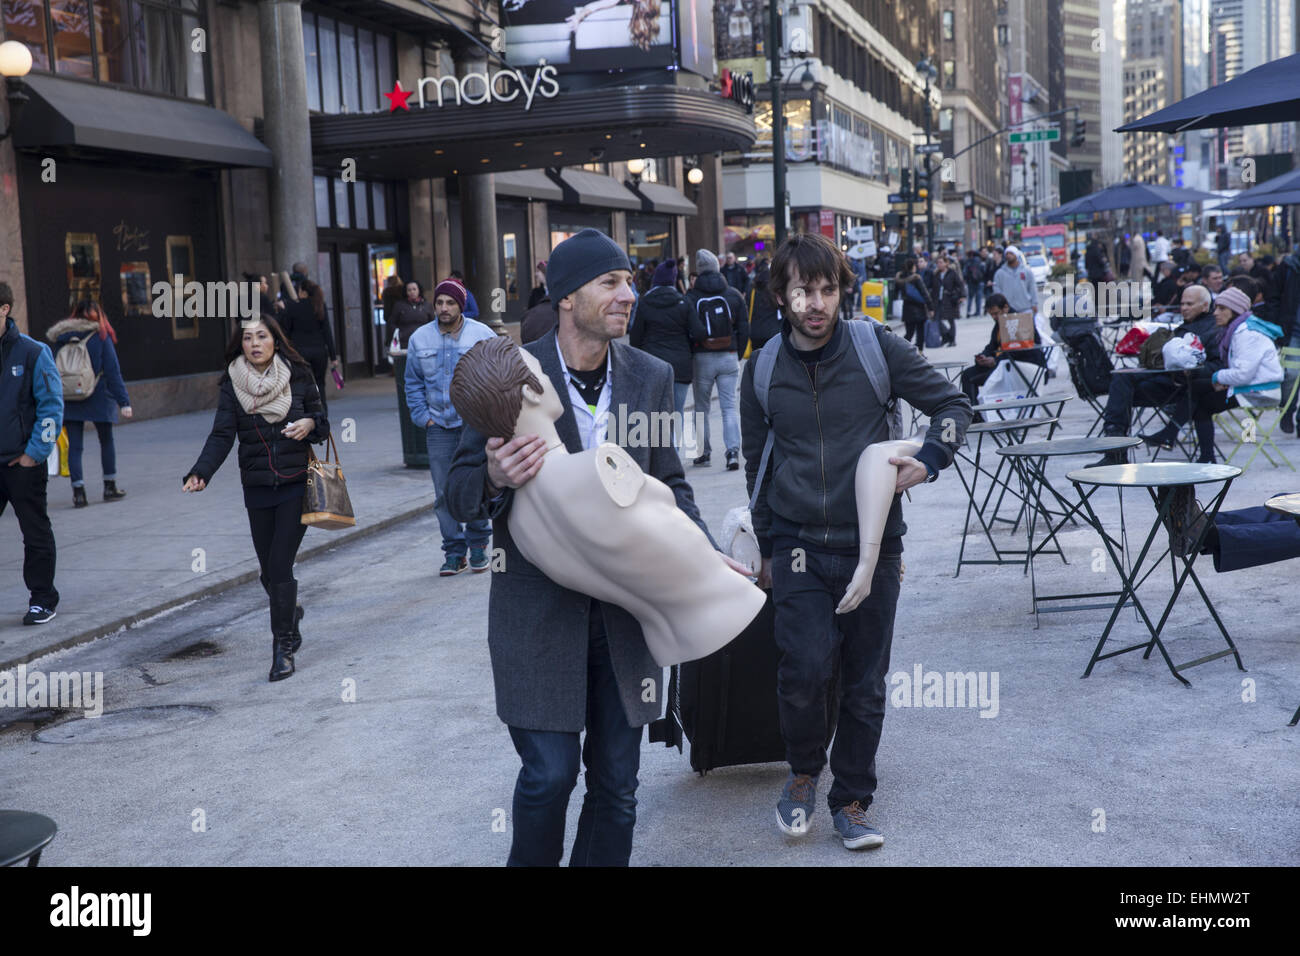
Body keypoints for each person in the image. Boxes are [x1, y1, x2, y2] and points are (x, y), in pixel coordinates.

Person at [444, 227, 733, 867]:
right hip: (537, 616)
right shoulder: (510, 373)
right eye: (611, 282)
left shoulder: (651, 376)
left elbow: (671, 485)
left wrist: (707, 557)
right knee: (549, 776)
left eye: (629, 280)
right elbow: (458, 494)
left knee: (618, 787)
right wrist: (494, 476)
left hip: (627, 615)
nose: (628, 293)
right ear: (569, 298)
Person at [739, 232, 971, 850]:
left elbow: (952, 405)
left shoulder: (876, 348)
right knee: (804, 668)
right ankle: (803, 773)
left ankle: (854, 797)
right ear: (780, 296)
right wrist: (765, 548)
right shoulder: (760, 368)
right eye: (801, 291)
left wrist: (933, 456)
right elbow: (757, 464)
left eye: (826, 289)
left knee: (866, 678)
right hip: (795, 544)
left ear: (842, 289)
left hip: (874, 541)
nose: (815, 303)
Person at [182, 315, 329, 681]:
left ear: (275, 341)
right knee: (268, 572)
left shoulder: (298, 374)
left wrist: (310, 424)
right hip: (258, 488)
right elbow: (221, 434)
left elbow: (321, 421)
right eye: (248, 338)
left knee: (280, 565)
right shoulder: (232, 384)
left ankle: (283, 647)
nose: (254, 343)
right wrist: (201, 471)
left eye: (262, 336)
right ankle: (290, 612)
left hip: (296, 483)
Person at [405, 278, 496, 576]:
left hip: (473, 425)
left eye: (451, 303)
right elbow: (413, 382)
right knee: (443, 493)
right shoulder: (420, 339)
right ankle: (454, 553)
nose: (444, 308)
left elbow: (499, 373)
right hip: (438, 427)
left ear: (461, 306)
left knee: (476, 485)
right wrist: (424, 417)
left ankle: (479, 544)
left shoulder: (482, 334)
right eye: (440, 303)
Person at [1141, 285, 1283, 463]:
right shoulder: (1236, 330)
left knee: (1201, 397)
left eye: (1222, 308)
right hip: (1248, 386)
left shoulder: (1247, 334)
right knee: (1198, 391)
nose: (1215, 313)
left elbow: (1243, 375)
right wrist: (1220, 379)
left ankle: (1178, 439)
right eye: (1216, 307)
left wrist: (1217, 378)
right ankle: (1198, 452)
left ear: (1235, 311)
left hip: (1259, 391)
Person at [1089, 285, 1222, 467]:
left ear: (1205, 306)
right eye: (1182, 303)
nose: (1184, 307)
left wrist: (1193, 369)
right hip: (1165, 379)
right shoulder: (1186, 326)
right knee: (1121, 380)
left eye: (1189, 304)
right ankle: (1115, 446)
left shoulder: (1213, 330)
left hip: (1182, 388)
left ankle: (1115, 450)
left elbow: (1217, 366)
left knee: (1121, 394)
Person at [0, 281, 63, 625]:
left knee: (34, 532)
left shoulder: (33, 352)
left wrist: (34, 454)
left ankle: (42, 599)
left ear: (4, 308)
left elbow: (52, 409)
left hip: (21, 463)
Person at [45, 300, 132, 508]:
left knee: (75, 446)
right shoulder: (100, 336)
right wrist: (124, 402)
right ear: (98, 315)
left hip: (69, 396)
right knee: (106, 440)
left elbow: (51, 370)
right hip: (99, 394)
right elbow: (112, 372)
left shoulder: (60, 337)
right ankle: (109, 486)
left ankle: (78, 492)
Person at [685, 249, 748, 470]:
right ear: (718, 267)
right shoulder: (732, 294)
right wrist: (736, 354)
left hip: (702, 358)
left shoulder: (691, 297)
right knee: (729, 407)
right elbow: (743, 327)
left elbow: (686, 329)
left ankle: (703, 452)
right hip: (729, 356)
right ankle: (732, 452)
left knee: (701, 408)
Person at [628, 260, 693, 434]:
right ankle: (674, 455)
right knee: (677, 412)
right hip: (681, 366)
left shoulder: (645, 302)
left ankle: (660, 457)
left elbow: (635, 338)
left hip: (653, 364)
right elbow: (696, 332)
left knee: (655, 414)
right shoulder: (684, 302)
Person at [958, 293, 1048, 404]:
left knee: (972, 379)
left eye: (996, 313)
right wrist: (983, 357)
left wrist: (995, 360)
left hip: (1021, 366)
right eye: (991, 314)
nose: (994, 317)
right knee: (967, 374)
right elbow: (992, 346)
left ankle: (975, 415)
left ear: (1006, 307)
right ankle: (974, 415)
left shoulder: (1019, 320)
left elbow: (1019, 352)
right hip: (1003, 363)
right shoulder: (1000, 322)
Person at [281, 280, 340, 417]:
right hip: (319, 351)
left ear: (303, 292)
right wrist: (333, 357)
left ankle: (306, 413)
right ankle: (323, 412)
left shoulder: (292, 307)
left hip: (300, 352)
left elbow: (286, 330)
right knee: (320, 383)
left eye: (299, 290)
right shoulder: (319, 306)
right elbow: (327, 332)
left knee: (301, 383)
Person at [1275, 250, 1300, 433]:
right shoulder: (1289, 265)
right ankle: (1287, 409)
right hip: (1293, 330)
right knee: (1291, 374)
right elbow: (1275, 296)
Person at [896, 256, 934, 355]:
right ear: (913, 267)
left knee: (909, 333)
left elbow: (897, 293)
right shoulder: (916, 278)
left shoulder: (900, 279)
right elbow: (925, 293)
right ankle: (920, 352)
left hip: (907, 309)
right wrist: (930, 307)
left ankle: (902, 351)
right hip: (919, 308)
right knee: (920, 332)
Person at [745, 258, 782, 351]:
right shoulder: (775, 292)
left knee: (757, 361)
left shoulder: (752, 291)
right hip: (773, 333)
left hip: (755, 333)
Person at [992, 246, 1039, 316]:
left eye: (1011, 253)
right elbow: (997, 289)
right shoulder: (1000, 273)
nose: (1008, 256)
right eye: (1007, 254)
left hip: (1025, 308)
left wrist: (1034, 303)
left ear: (1016, 255)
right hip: (1008, 310)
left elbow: (1032, 288)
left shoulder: (1026, 271)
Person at [389, 280, 434, 351]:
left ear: (419, 290)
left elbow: (433, 323)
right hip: (405, 343)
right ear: (406, 292)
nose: (412, 292)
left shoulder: (427, 305)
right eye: (409, 290)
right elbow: (391, 323)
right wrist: (399, 334)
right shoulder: (399, 305)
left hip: (424, 342)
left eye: (414, 289)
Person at [933, 254, 965, 347]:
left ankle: (952, 340)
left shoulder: (952, 273)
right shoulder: (936, 274)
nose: (939, 264)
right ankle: (946, 336)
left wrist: (961, 295)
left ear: (946, 263)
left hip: (950, 299)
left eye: (941, 262)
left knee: (951, 320)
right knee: (937, 320)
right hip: (938, 300)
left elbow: (960, 285)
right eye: (937, 263)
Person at [963, 251, 985, 316]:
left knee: (970, 298)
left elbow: (965, 272)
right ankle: (978, 312)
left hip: (971, 282)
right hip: (979, 281)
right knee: (978, 298)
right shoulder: (980, 262)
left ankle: (968, 311)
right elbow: (984, 271)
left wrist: (966, 280)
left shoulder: (968, 262)